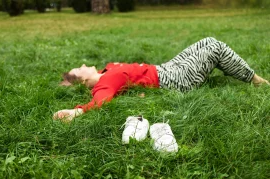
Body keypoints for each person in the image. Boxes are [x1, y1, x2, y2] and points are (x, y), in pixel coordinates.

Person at [53, 37, 269, 122]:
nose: (82, 65)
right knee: (215, 47)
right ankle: (255, 79)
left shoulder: (107, 70)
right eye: (79, 70)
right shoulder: (105, 83)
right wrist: (77, 111)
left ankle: (238, 70)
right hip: (175, 79)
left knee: (207, 41)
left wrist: (68, 81)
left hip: (166, 68)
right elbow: (100, 101)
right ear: (84, 81)